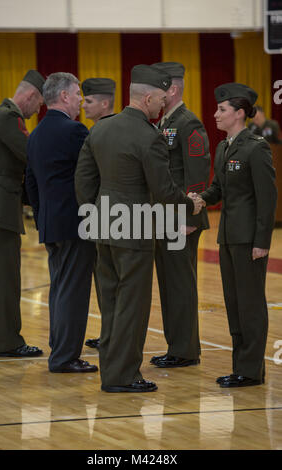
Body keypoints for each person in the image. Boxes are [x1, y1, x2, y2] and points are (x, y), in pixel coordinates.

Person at [75, 64, 205, 393]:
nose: (164, 104)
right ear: (147, 98)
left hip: (103, 226)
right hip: (135, 230)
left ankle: (113, 371)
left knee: (112, 303)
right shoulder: (149, 137)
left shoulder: (100, 130)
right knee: (132, 306)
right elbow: (163, 191)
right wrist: (191, 205)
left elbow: (83, 181)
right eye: (161, 98)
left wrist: (97, 214)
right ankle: (123, 376)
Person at [198, 83, 277, 388]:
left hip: (248, 240)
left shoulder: (255, 147)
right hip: (228, 237)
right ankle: (242, 367)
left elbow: (267, 198)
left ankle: (251, 370)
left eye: (222, 109)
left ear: (240, 113)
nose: (216, 114)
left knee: (250, 304)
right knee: (233, 303)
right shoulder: (224, 146)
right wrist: (202, 198)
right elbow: (219, 187)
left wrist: (262, 242)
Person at [25, 72, 98, 373]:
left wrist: (43, 217)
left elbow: (29, 182)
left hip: (51, 222)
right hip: (74, 222)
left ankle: (60, 349)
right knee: (73, 292)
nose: (81, 99)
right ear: (65, 96)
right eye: (78, 94)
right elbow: (91, 174)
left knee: (60, 288)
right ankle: (65, 357)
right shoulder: (74, 131)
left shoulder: (37, 132)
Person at [149, 61, 211, 369]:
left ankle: (185, 350)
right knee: (169, 284)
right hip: (165, 217)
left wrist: (190, 218)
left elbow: (198, 174)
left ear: (172, 89)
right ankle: (177, 346)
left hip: (181, 220)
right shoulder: (164, 123)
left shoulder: (188, 123)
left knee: (181, 285)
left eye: (159, 86)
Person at [0, 70, 45, 358]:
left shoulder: (1, 115)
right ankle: (8, 342)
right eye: (39, 104)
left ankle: (7, 338)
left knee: (4, 277)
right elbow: (32, 154)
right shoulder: (9, 117)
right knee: (6, 278)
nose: (36, 111)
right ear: (30, 96)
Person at [81, 77, 116, 351]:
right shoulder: (99, 131)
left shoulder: (104, 132)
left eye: (89, 101)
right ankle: (109, 332)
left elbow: (87, 180)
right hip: (108, 217)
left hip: (106, 216)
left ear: (105, 103)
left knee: (110, 280)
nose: (84, 105)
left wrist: (88, 210)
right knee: (106, 281)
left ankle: (112, 334)